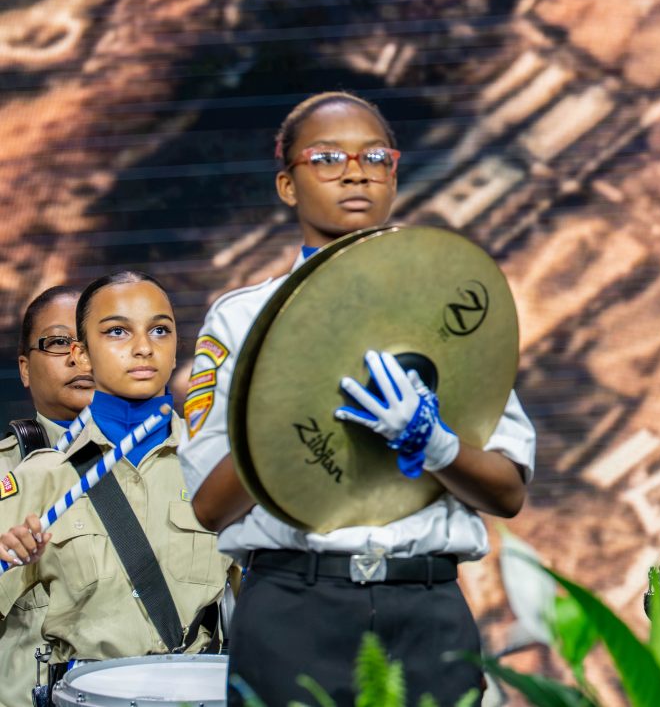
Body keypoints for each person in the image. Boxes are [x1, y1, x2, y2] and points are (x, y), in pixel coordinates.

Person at [181, 91, 536, 706]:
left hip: (425, 605)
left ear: (394, 175)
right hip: (295, 607)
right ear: (287, 184)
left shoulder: (450, 314)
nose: (355, 170)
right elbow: (211, 507)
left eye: (376, 156)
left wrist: (438, 445)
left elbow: (507, 492)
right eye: (326, 157)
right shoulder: (242, 321)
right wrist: (290, 402)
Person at [0, 272, 227, 699]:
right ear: (82, 355)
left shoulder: (218, 466)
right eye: (118, 331)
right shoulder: (41, 477)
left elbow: (273, 606)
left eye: (160, 330)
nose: (143, 347)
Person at [0, 286, 92, 706]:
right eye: (58, 342)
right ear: (24, 368)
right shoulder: (6, 474)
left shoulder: (185, 461)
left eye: (94, 340)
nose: (79, 357)